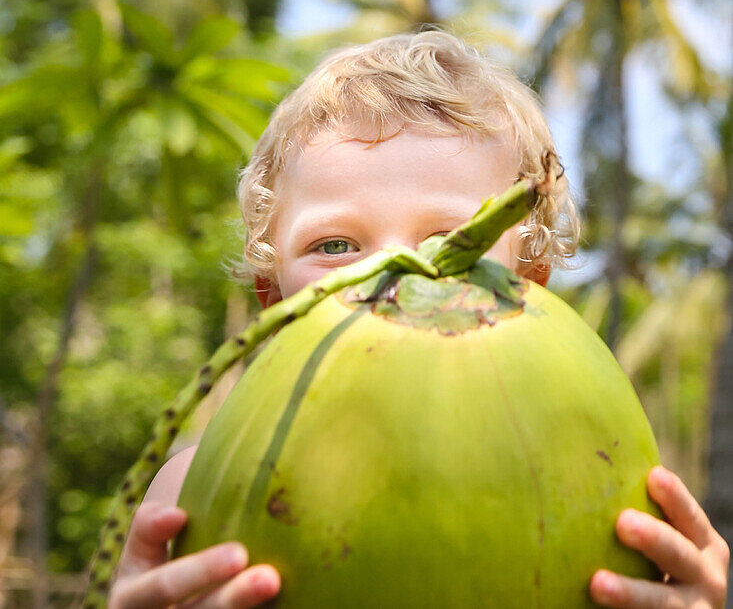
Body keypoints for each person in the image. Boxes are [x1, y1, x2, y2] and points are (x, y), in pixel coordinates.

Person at [109, 32, 730, 609]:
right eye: (334, 246)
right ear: (273, 298)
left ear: (526, 287)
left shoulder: (603, 476)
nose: (395, 273)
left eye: (452, 241)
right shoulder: (194, 487)